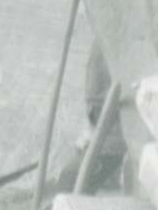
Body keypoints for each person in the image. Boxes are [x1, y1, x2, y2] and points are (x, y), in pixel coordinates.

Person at [52, 38, 126, 196]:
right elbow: (97, 106)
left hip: (117, 135)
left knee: (69, 180)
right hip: (108, 127)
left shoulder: (117, 36)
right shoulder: (104, 39)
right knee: (69, 178)